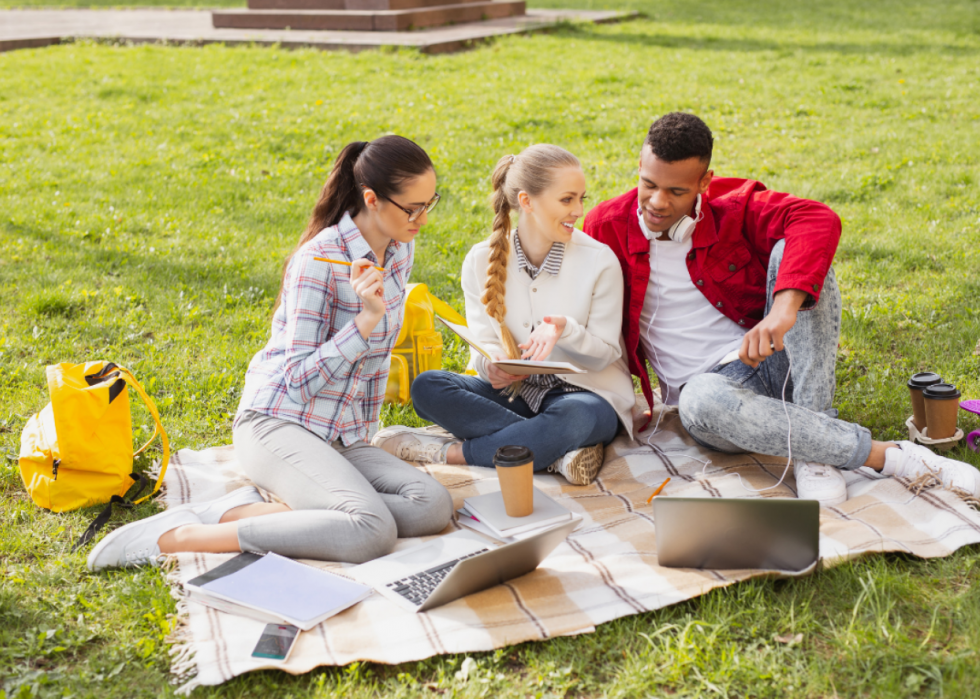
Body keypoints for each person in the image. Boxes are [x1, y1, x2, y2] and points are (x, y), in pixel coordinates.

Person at [88, 135, 454, 571]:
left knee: (432, 505)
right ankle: (183, 534)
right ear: (372, 199)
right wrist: (365, 323)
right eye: (412, 208)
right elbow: (297, 378)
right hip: (278, 423)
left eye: (429, 204)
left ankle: (297, 512)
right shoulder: (318, 262)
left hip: (342, 435)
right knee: (370, 531)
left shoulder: (398, 249)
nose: (423, 220)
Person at [583, 112, 980, 506]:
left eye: (676, 192)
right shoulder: (606, 225)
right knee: (700, 399)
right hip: (711, 401)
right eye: (648, 184)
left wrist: (783, 309)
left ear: (704, 182)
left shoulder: (732, 205)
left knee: (799, 254)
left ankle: (814, 454)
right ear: (638, 166)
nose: (657, 202)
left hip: (777, 361)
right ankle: (890, 457)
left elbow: (817, 218)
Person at [371, 145, 635, 486]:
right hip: (518, 396)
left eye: (581, 198)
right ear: (526, 202)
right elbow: (483, 342)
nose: (579, 211)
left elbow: (605, 356)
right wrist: (491, 365)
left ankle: (453, 453)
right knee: (428, 386)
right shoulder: (480, 260)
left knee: (575, 417)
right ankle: (553, 452)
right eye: (567, 200)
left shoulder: (599, 260)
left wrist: (564, 330)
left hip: (588, 396)